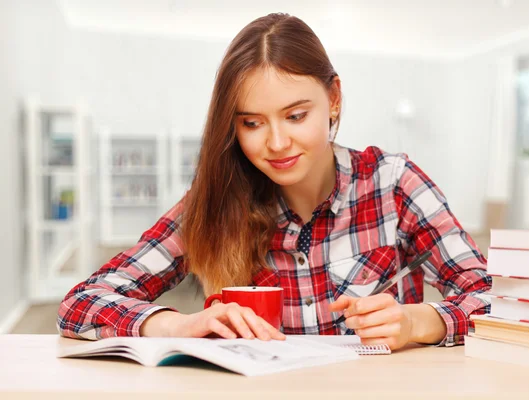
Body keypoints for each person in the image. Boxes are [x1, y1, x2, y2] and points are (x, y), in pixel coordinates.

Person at [57, 13, 491, 350]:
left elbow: (490, 299)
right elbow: (82, 302)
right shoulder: (216, 201)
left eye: (296, 115)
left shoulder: (392, 184)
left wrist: (420, 322)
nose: (278, 143)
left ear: (333, 99)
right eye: (251, 123)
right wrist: (175, 324)